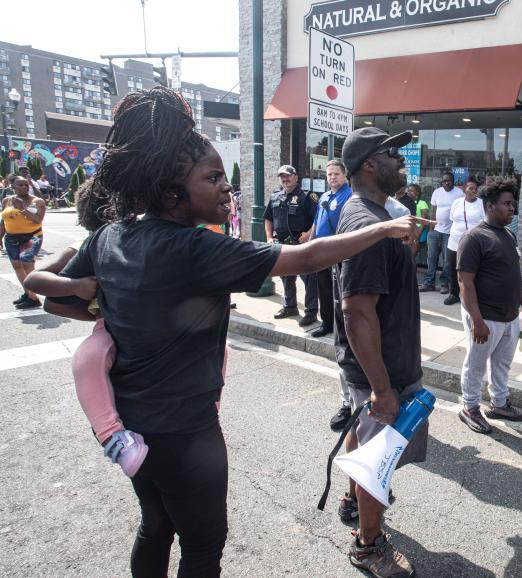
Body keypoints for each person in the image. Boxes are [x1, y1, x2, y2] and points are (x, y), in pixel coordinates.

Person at [21, 88, 420, 577]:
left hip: (130, 427)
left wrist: (113, 309)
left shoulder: (111, 235)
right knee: (204, 546)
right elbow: (305, 257)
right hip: (187, 433)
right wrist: (380, 231)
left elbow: (59, 299)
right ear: (173, 192)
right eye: (213, 179)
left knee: (155, 526)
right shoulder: (196, 249)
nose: (226, 189)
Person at [333, 127, 430, 578]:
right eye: (392, 153)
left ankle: (353, 499)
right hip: (381, 374)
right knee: (378, 463)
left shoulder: (377, 219)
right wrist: (381, 388)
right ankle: (368, 545)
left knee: (362, 439)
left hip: (382, 370)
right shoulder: (368, 224)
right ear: (369, 165)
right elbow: (356, 314)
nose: (401, 159)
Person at [25, 183, 149, 476]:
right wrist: (78, 288)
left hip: (146, 328)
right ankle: (113, 436)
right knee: (87, 358)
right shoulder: (86, 244)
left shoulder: (140, 238)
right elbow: (38, 285)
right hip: (110, 327)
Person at [456, 177, 522, 433]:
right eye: (507, 203)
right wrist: (477, 321)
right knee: (476, 365)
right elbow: (465, 284)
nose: (512, 208)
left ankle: (499, 404)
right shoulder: (473, 238)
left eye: (513, 204)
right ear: (490, 206)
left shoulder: (509, 235)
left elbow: (515, 275)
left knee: (502, 364)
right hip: (485, 317)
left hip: (510, 317)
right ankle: (469, 407)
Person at [264, 164, 320, 327]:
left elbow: (318, 218)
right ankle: (290, 306)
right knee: (286, 277)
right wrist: (269, 237)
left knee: (309, 279)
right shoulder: (275, 197)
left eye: (288, 176)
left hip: (300, 245)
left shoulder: (307, 196)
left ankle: (311, 312)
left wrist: (309, 233)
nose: (285, 179)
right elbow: (268, 218)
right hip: (282, 245)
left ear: (296, 177)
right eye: (282, 176)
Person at [305, 159, 352, 341]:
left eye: (336, 174)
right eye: (330, 174)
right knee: (324, 288)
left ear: (344, 175)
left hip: (339, 251)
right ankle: (327, 323)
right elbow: (316, 223)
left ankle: (342, 327)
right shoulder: (324, 197)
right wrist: (310, 244)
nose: (333, 177)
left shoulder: (349, 196)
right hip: (321, 251)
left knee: (340, 292)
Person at [1, 175, 46, 309]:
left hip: (32, 237)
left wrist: (22, 209)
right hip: (11, 238)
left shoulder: (37, 201)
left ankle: (33, 298)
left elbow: (38, 220)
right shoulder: (6, 201)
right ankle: (28, 294)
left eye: (26, 184)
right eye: (20, 185)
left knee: (27, 265)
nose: (24, 187)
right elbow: (4, 220)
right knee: (17, 266)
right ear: (12, 186)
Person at [443, 176, 485, 306]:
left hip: (473, 243)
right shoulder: (457, 203)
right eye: (470, 188)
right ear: (464, 189)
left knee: (473, 270)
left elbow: (485, 222)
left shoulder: (481, 203)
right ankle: (454, 294)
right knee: (452, 268)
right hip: (454, 242)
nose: (473, 191)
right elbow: (452, 219)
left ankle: (473, 295)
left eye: (475, 189)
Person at [420, 171, 463, 293]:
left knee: (447, 260)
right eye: (444, 181)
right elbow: (433, 211)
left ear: (453, 181)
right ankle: (429, 283)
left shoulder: (459, 193)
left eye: (448, 180)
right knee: (431, 258)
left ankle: (445, 284)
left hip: (450, 233)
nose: (446, 183)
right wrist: (430, 231)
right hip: (435, 231)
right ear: (441, 182)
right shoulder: (437, 192)